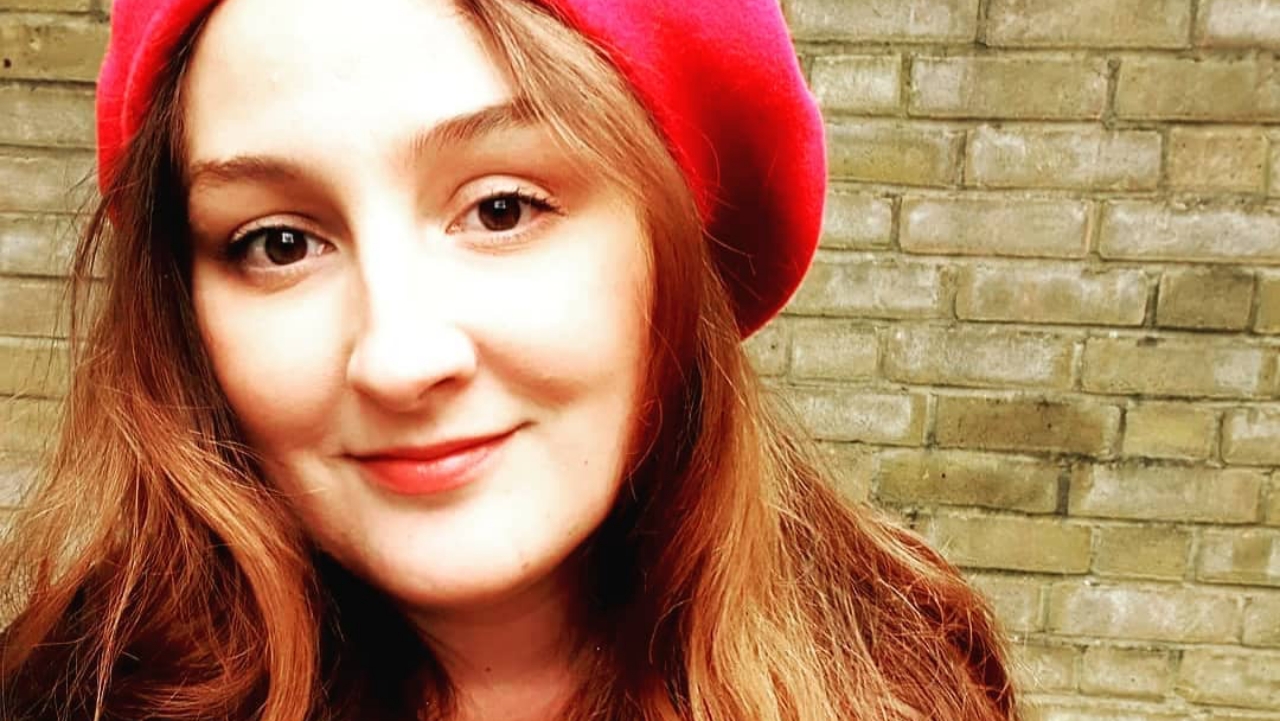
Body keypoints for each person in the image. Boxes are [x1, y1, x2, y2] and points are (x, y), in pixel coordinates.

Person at [0, 0, 1016, 719]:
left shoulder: (908, 674)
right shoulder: (76, 692)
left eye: (499, 209)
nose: (398, 359)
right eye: (279, 242)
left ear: (676, 245)